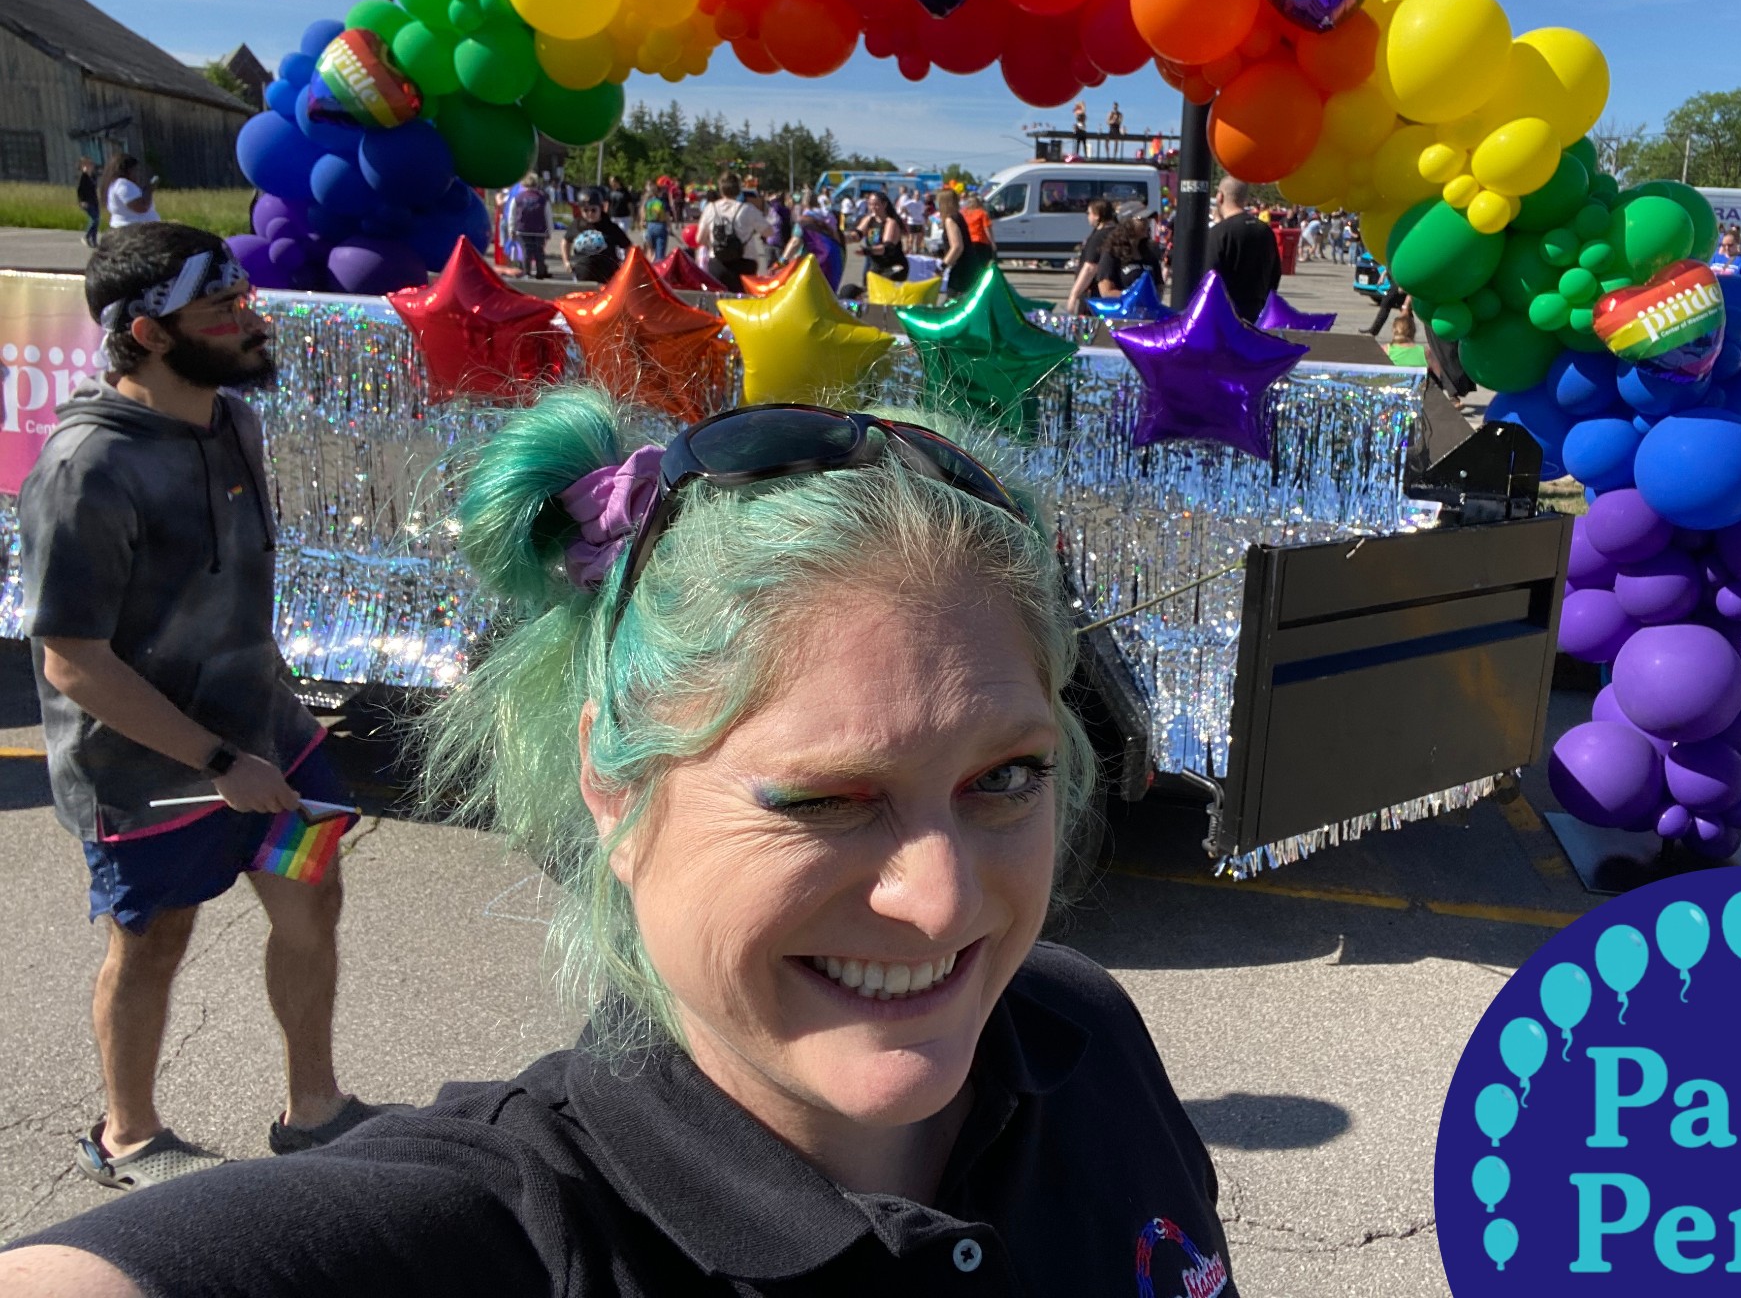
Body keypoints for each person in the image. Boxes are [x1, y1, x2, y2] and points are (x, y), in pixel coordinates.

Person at [1, 390, 1236, 1295]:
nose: (941, 900)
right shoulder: (514, 1230)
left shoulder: (1076, 1033)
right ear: (608, 776)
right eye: (825, 798)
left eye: (1004, 777)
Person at [12, 223, 377, 1195]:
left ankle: (315, 1112)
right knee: (153, 943)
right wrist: (220, 763)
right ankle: (126, 1136)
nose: (249, 321)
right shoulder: (86, 470)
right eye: (221, 310)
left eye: (242, 301)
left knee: (314, 899)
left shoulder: (233, 421)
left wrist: (270, 726)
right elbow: (72, 662)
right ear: (148, 332)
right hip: (150, 781)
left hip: (275, 741)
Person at [1203, 177, 1284, 323]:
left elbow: (1208, 276)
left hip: (1225, 316)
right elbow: (1276, 272)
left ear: (1220, 196)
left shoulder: (1219, 233)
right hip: (1257, 313)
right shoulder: (1265, 231)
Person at [697, 172, 770, 292]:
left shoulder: (711, 208)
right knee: (743, 302)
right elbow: (768, 232)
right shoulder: (748, 209)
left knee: (718, 302)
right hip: (745, 263)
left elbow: (699, 239)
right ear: (739, 190)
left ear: (721, 189)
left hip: (718, 263)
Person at [1061, 198, 1119, 312]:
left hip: (1094, 296)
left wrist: (1073, 295)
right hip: (1113, 292)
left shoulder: (1098, 237)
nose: (1088, 217)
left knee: (1089, 329)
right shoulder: (1118, 232)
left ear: (1097, 216)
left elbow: (1090, 268)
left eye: (1089, 213)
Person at [934, 187, 993, 296]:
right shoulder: (958, 216)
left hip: (962, 268)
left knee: (953, 300)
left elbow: (957, 247)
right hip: (969, 264)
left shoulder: (950, 219)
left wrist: (942, 266)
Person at [561, 188, 632, 278]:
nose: (590, 213)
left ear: (601, 208)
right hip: (581, 276)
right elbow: (565, 241)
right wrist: (566, 261)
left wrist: (625, 265)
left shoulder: (610, 226)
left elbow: (628, 247)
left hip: (606, 278)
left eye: (593, 210)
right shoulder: (577, 224)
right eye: (585, 210)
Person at [855, 190, 908, 276]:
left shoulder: (891, 222)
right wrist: (842, 238)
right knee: (867, 282)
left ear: (884, 204)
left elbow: (886, 248)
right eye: (870, 204)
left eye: (876, 204)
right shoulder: (869, 220)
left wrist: (867, 251)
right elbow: (857, 234)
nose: (872, 207)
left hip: (892, 266)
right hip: (874, 262)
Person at [509, 174, 553, 278]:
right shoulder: (542, 198)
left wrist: (511, 229)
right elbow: (548, 215)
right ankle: (540, 272)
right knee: (539, 252)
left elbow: (512, 215)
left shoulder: (518, 198)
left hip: (522, 229)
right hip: (539, 230)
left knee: (526, 251)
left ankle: (526, 272)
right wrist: (550, 231)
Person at [102, 155, 158, 231]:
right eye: (135, 170)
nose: (137, 173)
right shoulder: (123, 184)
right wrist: (149, 190)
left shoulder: (115, 184)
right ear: (127, 170)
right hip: (134, 230)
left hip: (131, 227)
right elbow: (141, 207)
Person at [638, 180, 672, 263]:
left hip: (650, 226)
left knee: (650, 251)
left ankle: (650, 269)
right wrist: (669, 227)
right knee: (660, 252)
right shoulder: (663, 202)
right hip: (661, 226)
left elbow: (643, 214)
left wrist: (642, 223)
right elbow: (667, 216)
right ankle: (658, 270)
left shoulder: (648, 201)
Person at [77, 158, 102, 248]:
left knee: (97, 220)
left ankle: (94, 240)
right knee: (94, 219)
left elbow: (94, 188)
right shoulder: (83, 176)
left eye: (90, 165)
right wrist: (81, 201)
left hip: (94, 200)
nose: (90, 167)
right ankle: (86, 236)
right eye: (87, 165)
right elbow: (79, 190)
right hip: (86, 201)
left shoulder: (93, 176)